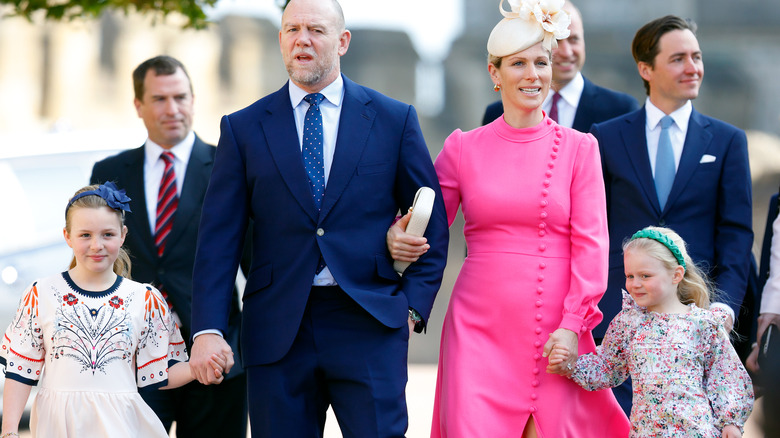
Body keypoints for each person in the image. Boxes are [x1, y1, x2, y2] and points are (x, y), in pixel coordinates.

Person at [187, 0, 449, 436]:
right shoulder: (243, 128)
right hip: (277, 330)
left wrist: (410, 308)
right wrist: (209, 329)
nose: (302, 40)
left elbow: (433, 222)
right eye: (292, 29)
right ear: (280, 40)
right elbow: (218, 241)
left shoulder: (392, 119)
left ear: (342, 41)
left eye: (316, 30)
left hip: (368, 322)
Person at [389, 1, 629, 436]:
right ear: (494, 73)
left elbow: (592, 246)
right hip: (478, 329)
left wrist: (574, 326)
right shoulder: (462, 147)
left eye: (542, 62)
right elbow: (426, 225)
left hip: (557, 329)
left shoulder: (581, 149)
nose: (533, 74)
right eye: (518, 63)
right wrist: (395, 234)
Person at [590, 15, 753, 413]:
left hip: (697, 319)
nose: (693, 68)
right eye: (678, 58)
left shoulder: (729, 140)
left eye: (696, 57)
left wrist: (724, 309)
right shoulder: (605, 136)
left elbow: (736, 232)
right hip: (620, 315)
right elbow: (592, 227)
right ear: (646, 69)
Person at [89, 55, 248, 437]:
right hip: (128, 362)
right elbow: (95, 263)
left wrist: (241, 348)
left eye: (180, 96)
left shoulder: (232, 167)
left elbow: (257, 266)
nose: (172, 109)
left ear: (194, 99)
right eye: (159, 99)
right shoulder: (108, 173)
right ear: (138, 106)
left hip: (215, 358)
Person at [0, 183, 226, 438]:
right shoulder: (40, 294)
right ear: (67, 236)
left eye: (107, 234)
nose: (97, 245)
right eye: (85, 235)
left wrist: (200, 367)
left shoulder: (145, 299)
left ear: (123, 234)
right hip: (59, 427)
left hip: (123, 426)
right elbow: (20, 371)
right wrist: (9, 431)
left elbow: (158, 372)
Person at [549, 227, 754, 437]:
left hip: (697, 431)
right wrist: (569, 364)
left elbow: (726, 376)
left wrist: (731, 422)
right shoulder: (629, 323)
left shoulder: (703, 324)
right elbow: (607, 367)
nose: (635, 284)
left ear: (676, 275)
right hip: (647, 432)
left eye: (645, 276)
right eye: (630, 275)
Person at [481, 1, 638, 130]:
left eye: (574, 39)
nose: (567, 52)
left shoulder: (621, 109)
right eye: (558, 41)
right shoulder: (497, 113)